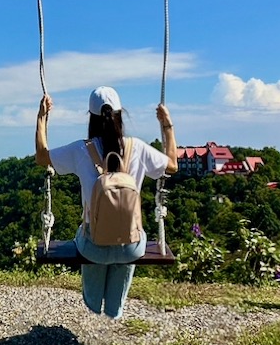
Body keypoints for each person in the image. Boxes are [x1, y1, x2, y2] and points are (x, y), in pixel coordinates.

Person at [35, 86, 178, 319]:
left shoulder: (81, 149)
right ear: (120, 115)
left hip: (93, 247)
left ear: (91, 119)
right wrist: (167, 124)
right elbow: (172, 164)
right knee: (127, 243)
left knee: (89, 237)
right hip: (131, 246)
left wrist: (42, 117)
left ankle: (93, 303)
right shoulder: (138, 148)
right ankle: (115, 308)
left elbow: (42, 157)